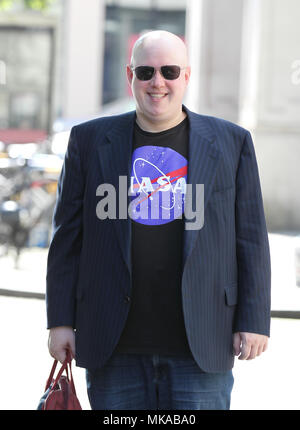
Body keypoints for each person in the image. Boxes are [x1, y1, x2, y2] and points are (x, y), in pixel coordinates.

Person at [47, 30, 271, 410]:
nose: (157, 82)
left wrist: (254, 319)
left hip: (202, 344)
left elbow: (250, 238)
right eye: (146, 72)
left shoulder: (232, 143)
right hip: (113, 346)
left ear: (186, 76)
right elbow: (67, 239)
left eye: (169, 71)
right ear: (129, 76)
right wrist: (60, 321)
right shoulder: (88, 141)